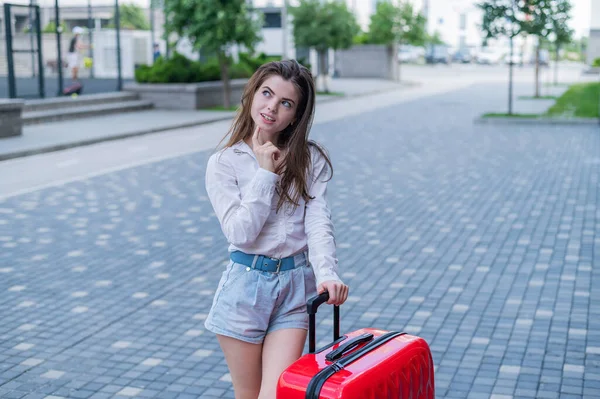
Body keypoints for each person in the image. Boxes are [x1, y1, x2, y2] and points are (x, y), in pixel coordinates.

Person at [204, 59, 349, 399]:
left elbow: (317, 220)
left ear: (297, 115)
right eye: (266, 93)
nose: (272, 107)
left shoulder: (310, 159)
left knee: (277, 395)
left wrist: (327, 273)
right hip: (245, 290)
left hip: (295, 288)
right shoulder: (224, 163)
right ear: (252, 94)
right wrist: (265, 175)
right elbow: (240, 234)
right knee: (249, 394)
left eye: (286, 103)